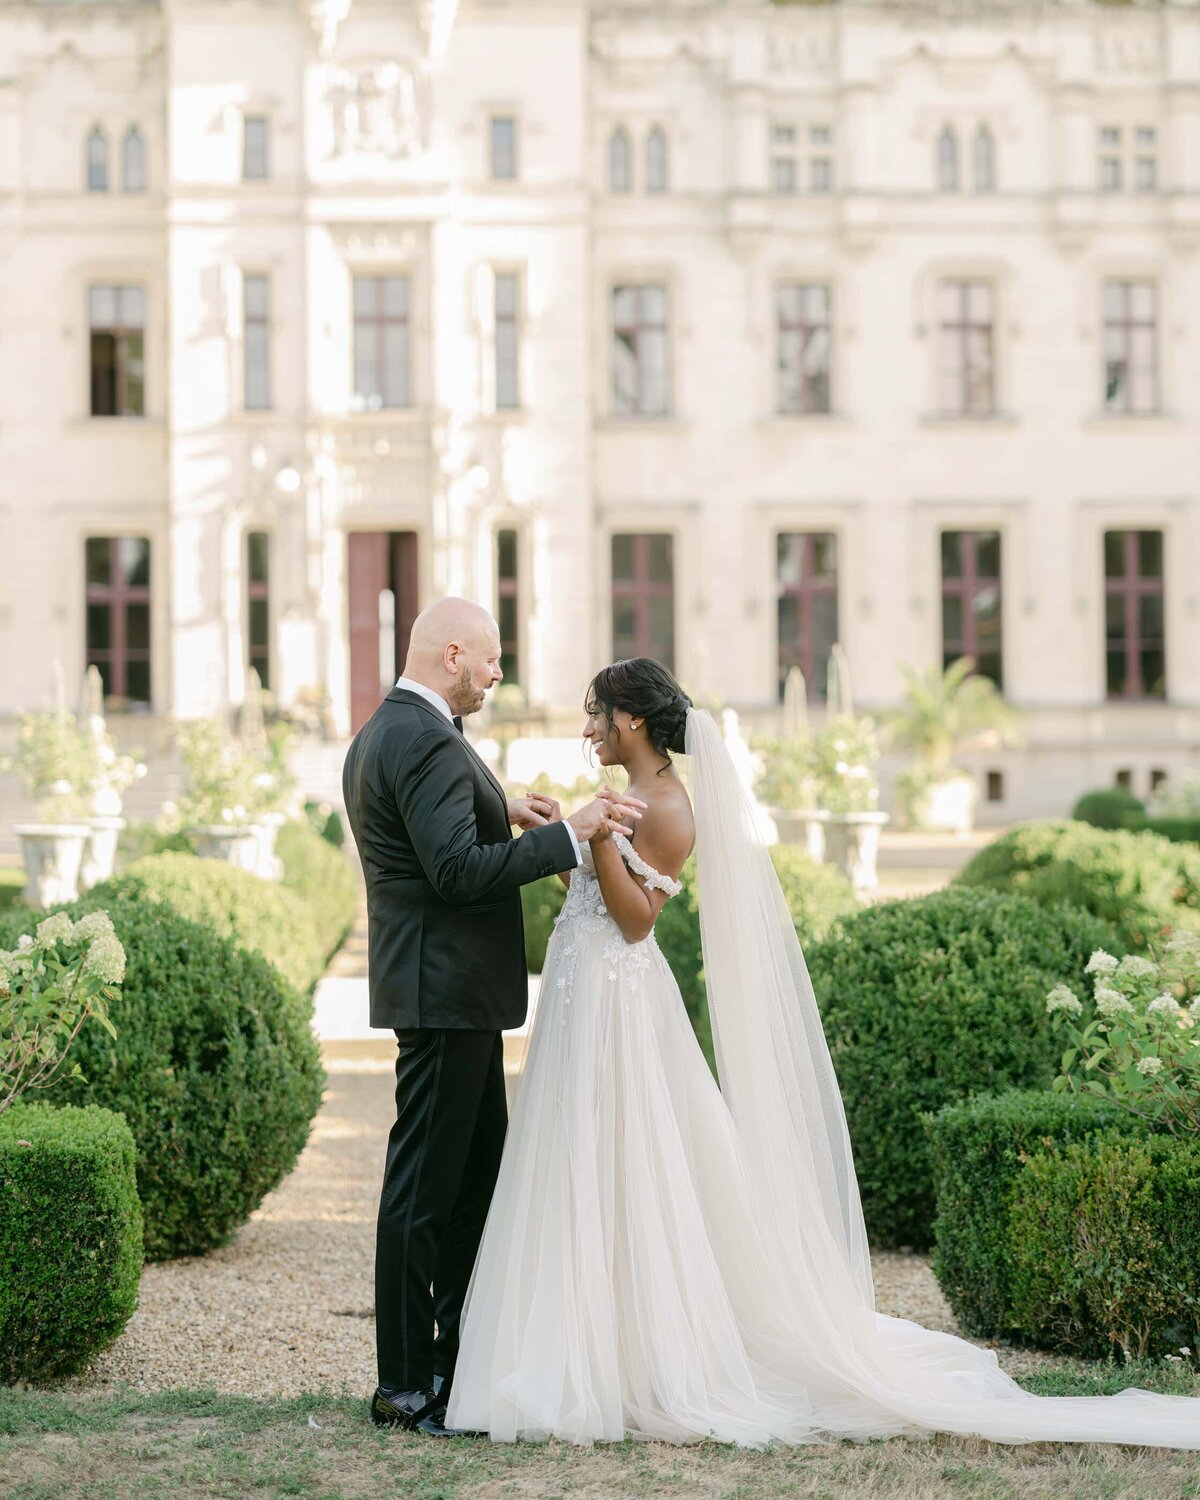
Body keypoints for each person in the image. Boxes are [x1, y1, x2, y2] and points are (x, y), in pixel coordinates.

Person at [445, 655, 1200, 1450]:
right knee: (576, 1158)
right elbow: (598, 898)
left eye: (596, 714)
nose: (586, 728)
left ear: (632, 720)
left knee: (624, 1157)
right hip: (584, 995)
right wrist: (562, 836)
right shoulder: (622, 802)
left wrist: (595, 835)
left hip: (618, 1003)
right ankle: (580, 1342)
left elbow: (637, 922)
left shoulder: (668, 807)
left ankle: (634, 1357)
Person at [341, 599, 645, 1435]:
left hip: (448, 993)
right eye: (491, 659)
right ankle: (405, 1386)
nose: (498, 673)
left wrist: (501, 809)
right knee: (423, 1195)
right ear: (451, 655)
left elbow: (431, 843)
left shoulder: (389, 730)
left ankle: (458, 1365)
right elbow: (456, 875)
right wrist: (572, 834)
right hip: (445, 996)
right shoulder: (429, 738)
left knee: (473, 1186)